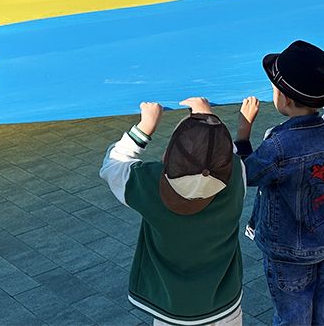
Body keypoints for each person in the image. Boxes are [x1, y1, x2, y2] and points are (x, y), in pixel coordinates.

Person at [99, 98, 245, 326]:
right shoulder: (236, 175)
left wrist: (144, 128)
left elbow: (113, 166)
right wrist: (209, 119)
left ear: (168, 156)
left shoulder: (149, 184)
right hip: (224, 305)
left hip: (172, 310)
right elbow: (228, 156)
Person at [235, 41, 324, 326]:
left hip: (287, 253)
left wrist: (243, 135)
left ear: (286, 99)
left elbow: (247, 174)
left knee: (292, 318)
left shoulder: (279, 145)